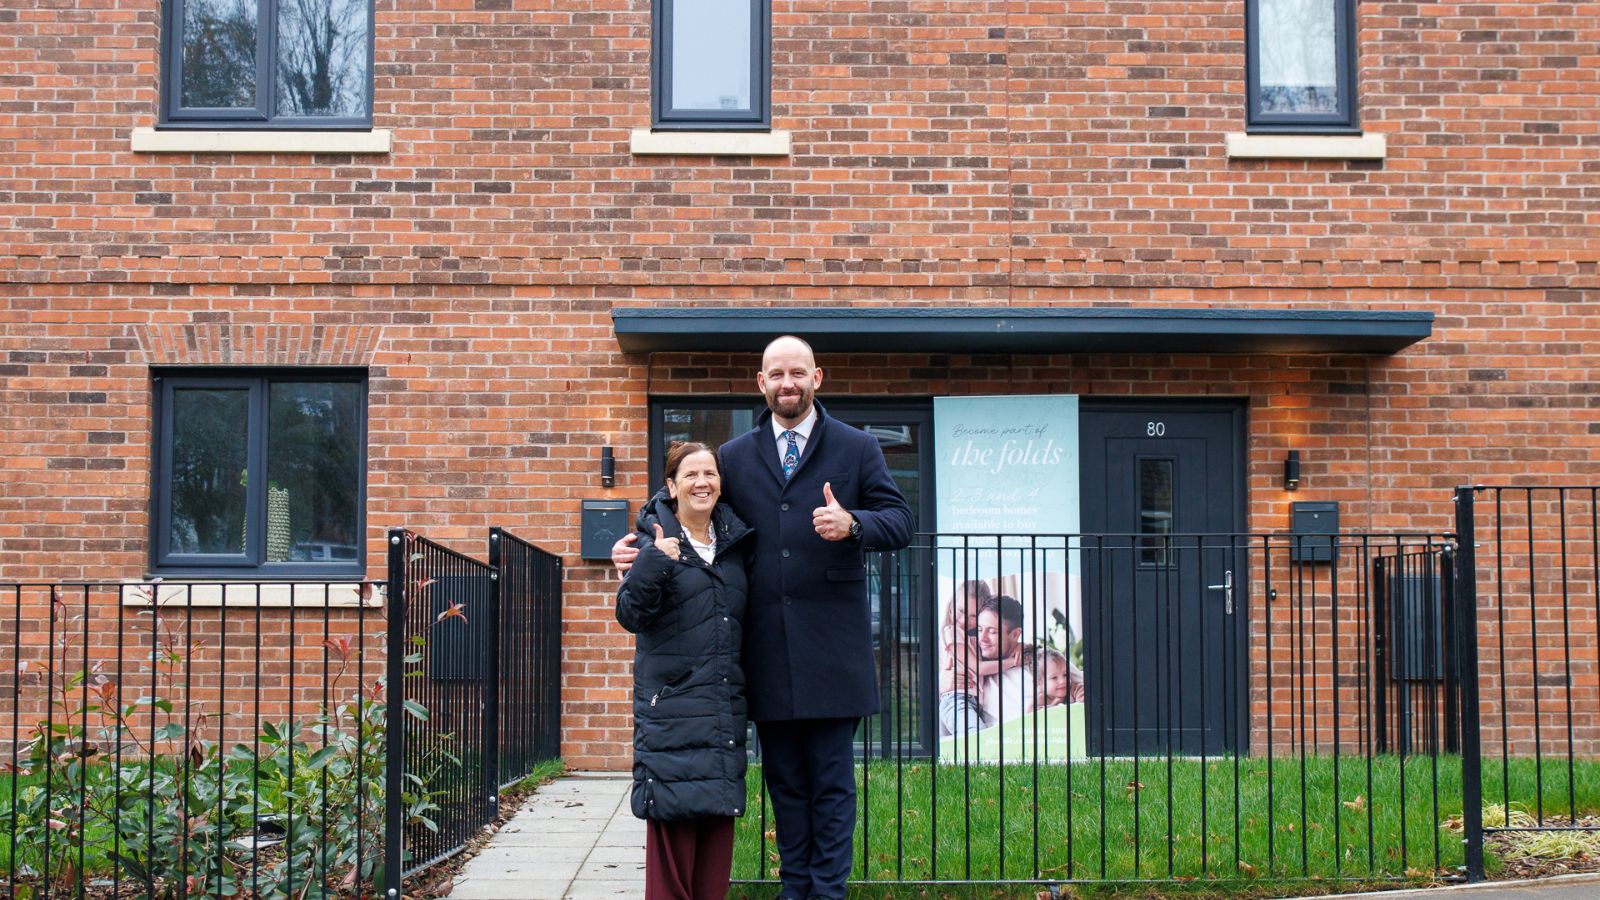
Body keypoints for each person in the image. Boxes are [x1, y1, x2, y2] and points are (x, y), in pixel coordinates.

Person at [615, 335, 914, 900]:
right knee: (785, 784)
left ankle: (826, 891)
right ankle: (793, 887)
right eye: (776, 374)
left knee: (831, 784)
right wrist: (638, 545)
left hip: (833, 649)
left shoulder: (856, 448)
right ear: (761, 383)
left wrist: (854, 525)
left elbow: (900, 520)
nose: (787, 383)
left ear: (816, 378)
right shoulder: (734, 456)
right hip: (764, 649)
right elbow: (680, 502)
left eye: (797, 373)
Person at [615, 441, 754, 900]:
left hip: (721, 717)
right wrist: (653, 561)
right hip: (672, 718)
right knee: (671, 873)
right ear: (671, 487)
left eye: (709, 473)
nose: (702, 482)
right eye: (690, 475)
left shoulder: (735, 544)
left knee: (713, 872)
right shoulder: (648, 542)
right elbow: (630, 614)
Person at [974, 595, 1033, 726]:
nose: (982, 639)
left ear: (1015, 634)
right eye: (979, 629)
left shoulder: (1041, 659)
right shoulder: (970, 664)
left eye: (992, 632)